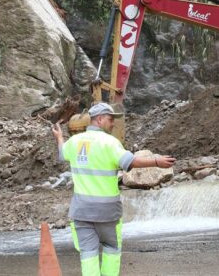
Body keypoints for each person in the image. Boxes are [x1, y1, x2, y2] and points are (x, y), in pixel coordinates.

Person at [51, 102, 175, 276]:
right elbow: (131, 162)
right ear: (99, 120)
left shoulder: (75, 142)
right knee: (111, 250)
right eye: (110, 119)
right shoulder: (110, 142)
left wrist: (59, 137)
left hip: (81, 212)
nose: (113, 123)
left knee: (88, 254)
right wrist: (156, 161)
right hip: (107, 212)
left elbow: (62, 153)